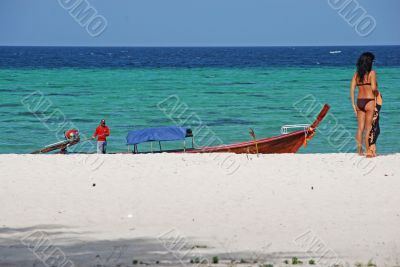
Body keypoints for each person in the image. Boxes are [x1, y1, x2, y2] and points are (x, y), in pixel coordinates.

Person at [350, 52, 378, 157]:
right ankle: (368, 151)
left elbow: (352, 89)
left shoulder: (356, 74)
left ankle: (359, 151)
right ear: (369, 62)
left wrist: (353, 104)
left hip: (359, 102)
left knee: (360, 128)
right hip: (369, 101)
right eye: (373, 61)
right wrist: (377, 93)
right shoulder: (372, 73)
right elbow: (374, 88)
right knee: (368, 128)